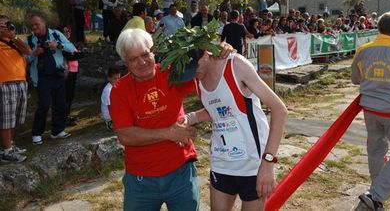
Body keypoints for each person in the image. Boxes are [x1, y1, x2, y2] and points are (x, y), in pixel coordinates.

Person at [109, 28, 233, 211]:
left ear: (153, 52)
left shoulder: (173, 73)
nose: (142, 62)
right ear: (125, 62)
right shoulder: (119, 90)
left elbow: (212, 76)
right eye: (134, 59)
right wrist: (169, 133)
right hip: (141, 181)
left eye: (145, 54)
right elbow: (126, 135)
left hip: (180, 173)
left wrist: (220, 52)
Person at [188, 50, 287, 211]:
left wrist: (268, 163)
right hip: (221, 163)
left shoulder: (236, 65)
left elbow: (279, 110)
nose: (193, 72)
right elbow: (216, 108)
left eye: (195, 66)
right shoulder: (198, 77)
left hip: (253, 165)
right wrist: (189, 118)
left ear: (206, 54)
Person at [352, 11, 390, 211]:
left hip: (370, 109)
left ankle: (374, 192)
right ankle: (376, 195)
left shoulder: (363, 49)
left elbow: (355, 79)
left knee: (376, 150)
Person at [26, 14, 75, 145]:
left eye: (37, 24)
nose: (34, 27)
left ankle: (57, 131)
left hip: (57, 74)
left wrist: (57, 45)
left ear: (44, 23)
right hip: (42, 77)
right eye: (32, 25)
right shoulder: (30, 40)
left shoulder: (56, 34)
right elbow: (24, 59)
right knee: (43, 105)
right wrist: (34, 54)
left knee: (60, 104)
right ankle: (37, 133)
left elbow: (71, 47)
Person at [0, 15, 31, 162]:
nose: (3, 28)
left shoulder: (15, 41)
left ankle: (9, 145)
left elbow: (28, 51)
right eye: (0, 26)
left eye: (6, 25)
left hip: (21, 82)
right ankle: (6, 151)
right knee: (6, 119)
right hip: (4, 83)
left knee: (15, 118)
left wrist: (13, 36)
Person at [57, 25, 85, 126]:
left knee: (70, 96)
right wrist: (80, 54)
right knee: (67, 96)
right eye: (65, 31)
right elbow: (71, 56)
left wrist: (78, 54)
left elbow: (76, 54)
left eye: (69, 31)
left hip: (73, 71)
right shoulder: (61, 44)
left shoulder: (69, 43)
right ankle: (64, 118)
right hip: (67, 73)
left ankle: (67, 115)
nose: (68, 32)